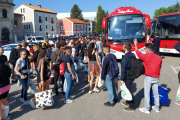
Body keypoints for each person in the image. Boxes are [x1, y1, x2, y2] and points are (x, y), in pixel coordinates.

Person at [134, 39, 162, 114]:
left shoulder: (146, 56)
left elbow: (137, 53)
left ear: (147, 49)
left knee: (147, 93)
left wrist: (136, 44)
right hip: (156, 77)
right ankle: (157, 107)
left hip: (149, 77)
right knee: (156, 92)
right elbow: (160, 66)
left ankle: (147, 109)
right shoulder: (159, 57)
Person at [120, 42, 136, 112]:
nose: (122, 48)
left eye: (123, 47)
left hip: (127, 76)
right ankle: (127, 102)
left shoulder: (124, 59)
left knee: (129, 91)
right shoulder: (132, 55)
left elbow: (123, 70)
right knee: (128, 88)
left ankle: (131, 106)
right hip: (132, 75)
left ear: (125, 48)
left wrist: (122, 79)